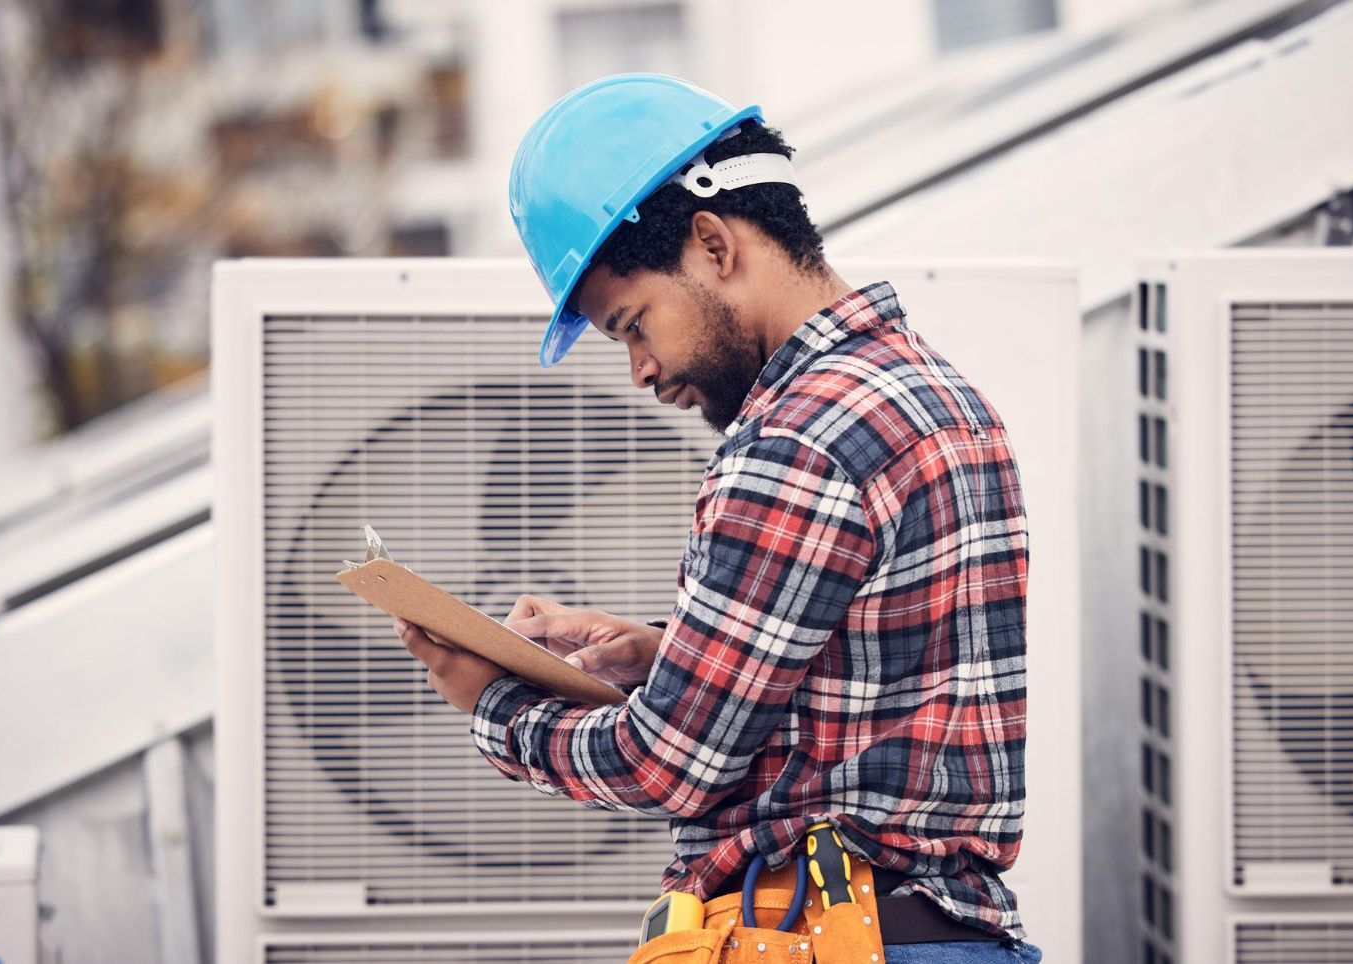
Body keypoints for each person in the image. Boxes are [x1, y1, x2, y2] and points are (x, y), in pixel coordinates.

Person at [394, 74, 1040, 964]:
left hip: (825, 941)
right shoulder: (941, 395)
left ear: (712, 243)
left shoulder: (796, 438)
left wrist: (493, 701)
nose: (641, 373)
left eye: (633, 325)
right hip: (940, 935)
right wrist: (673, 654)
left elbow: (668, 763)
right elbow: (881, 679)